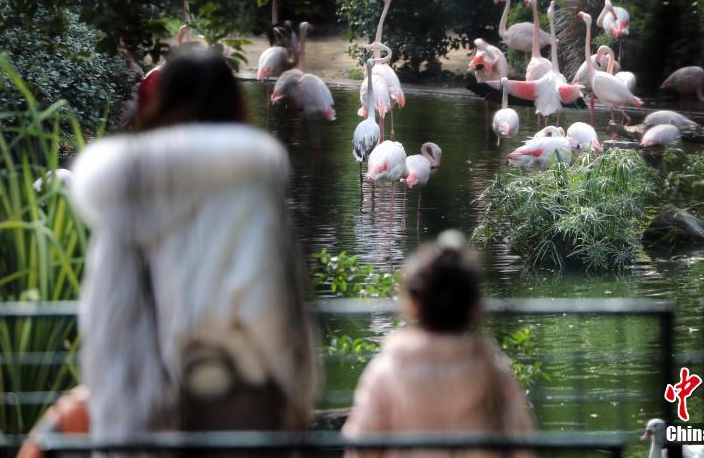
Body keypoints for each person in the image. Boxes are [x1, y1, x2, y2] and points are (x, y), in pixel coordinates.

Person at [66, 48, 318, 444]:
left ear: (161, 101)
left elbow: (100, 318)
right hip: (226, 427)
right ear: (234, 104)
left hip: (132, 417)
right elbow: (270, 316)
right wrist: (293, 399)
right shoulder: (248, 193)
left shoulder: (124, 194)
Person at [342, 231, 535, 457]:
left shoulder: (385, 372)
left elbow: (360, 449)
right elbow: (522, 448)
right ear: (474, 307)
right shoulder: (496, 374)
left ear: (412, 304)